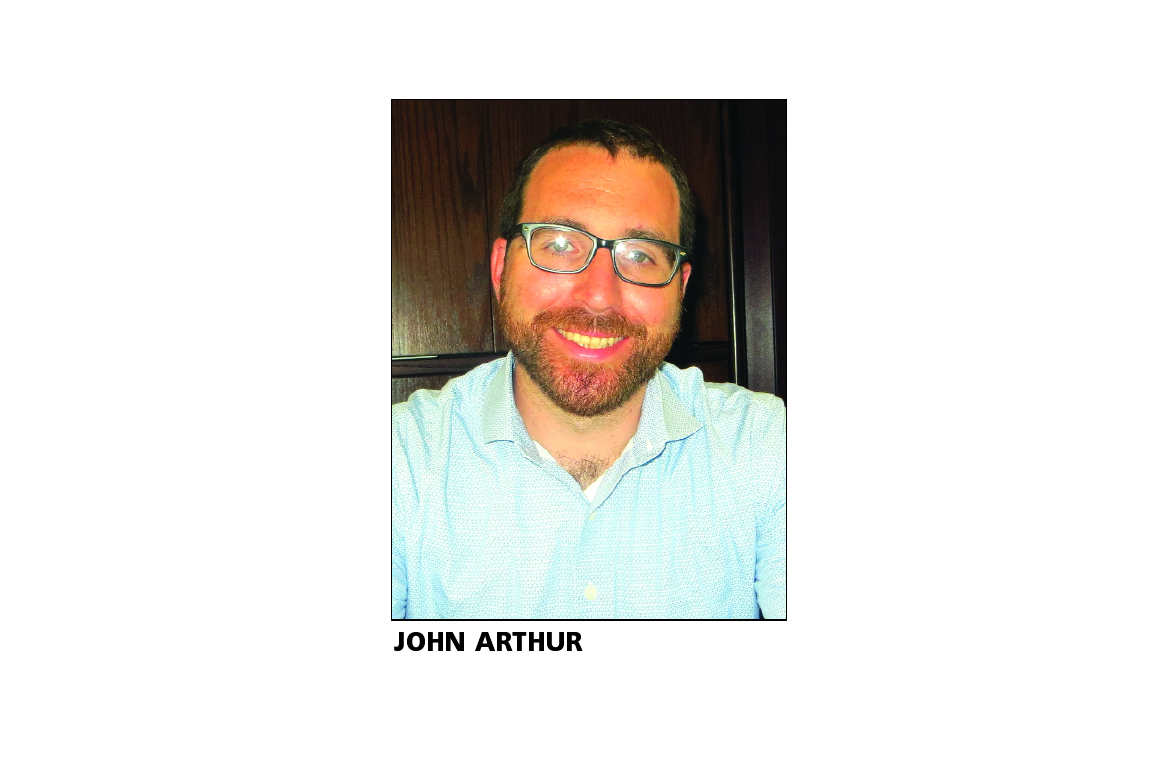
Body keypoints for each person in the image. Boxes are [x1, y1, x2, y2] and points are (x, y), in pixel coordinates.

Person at [392, 119, 785, 619]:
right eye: (559, 245)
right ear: (501, 269)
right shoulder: (401, 460)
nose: (599, 295)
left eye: (640, 255)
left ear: (680, 288)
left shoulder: (766, 447)